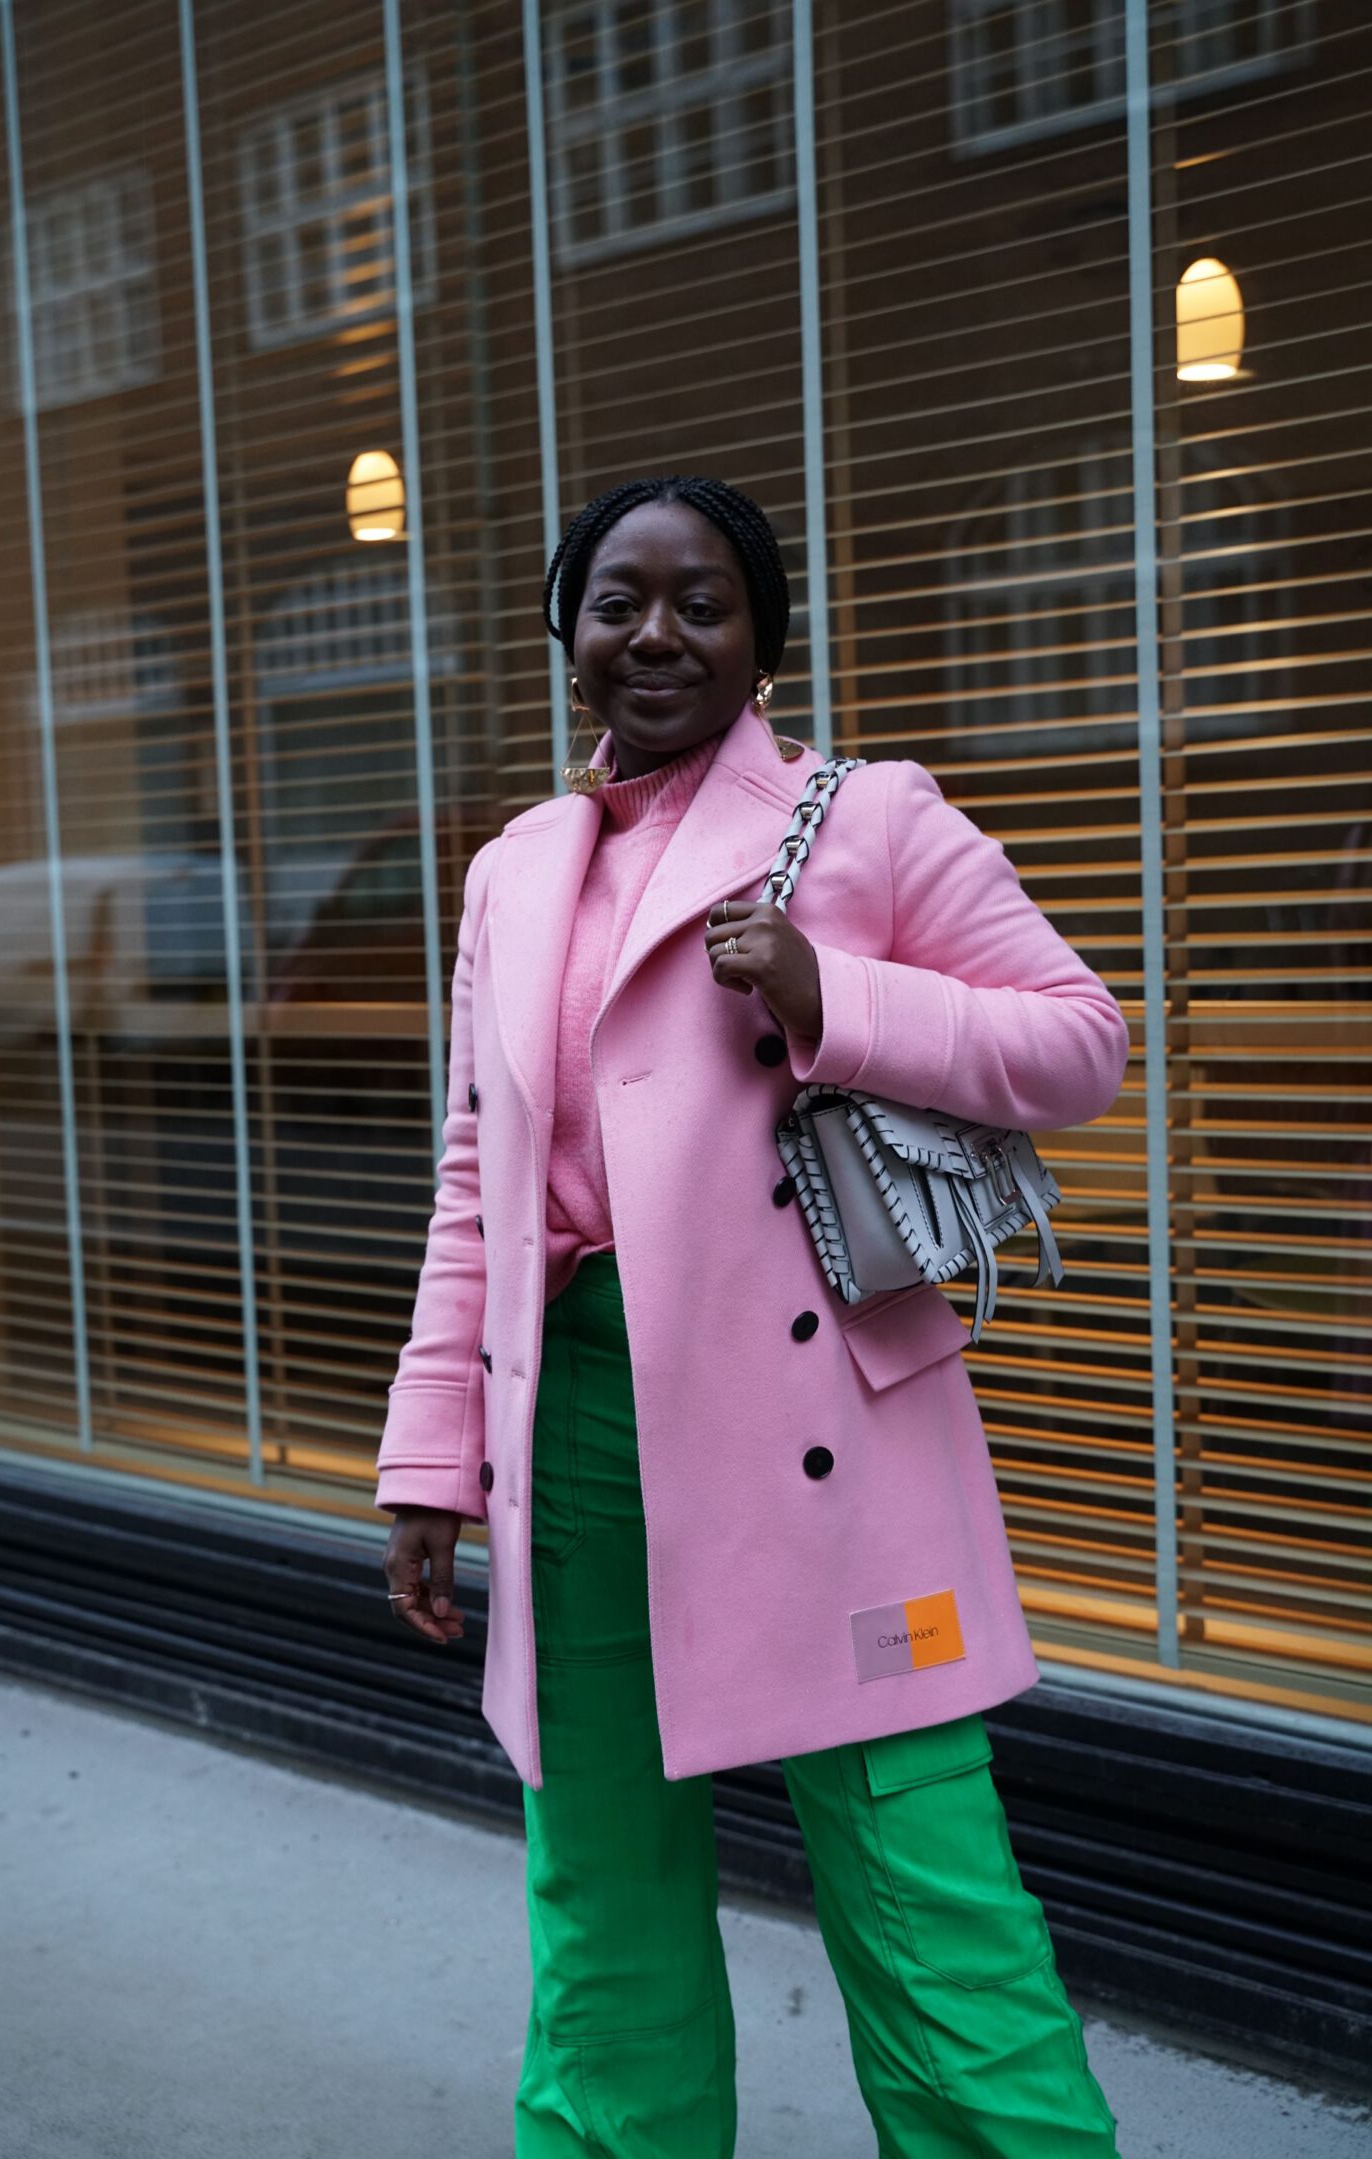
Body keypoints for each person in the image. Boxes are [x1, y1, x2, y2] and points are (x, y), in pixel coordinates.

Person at [377, 474, 1128, 2156]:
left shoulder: (864, 819)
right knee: (603, 1905)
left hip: (826, 1455)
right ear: (566, 634)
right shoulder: (515, 871)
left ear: (762, 643)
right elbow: (476, 1175)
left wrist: (830, 998)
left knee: (933, 1911)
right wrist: (432, 1459)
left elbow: (1081, 1041)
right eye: (618, 600)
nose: (657, 633)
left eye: (702, 602)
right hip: (571, 1422)